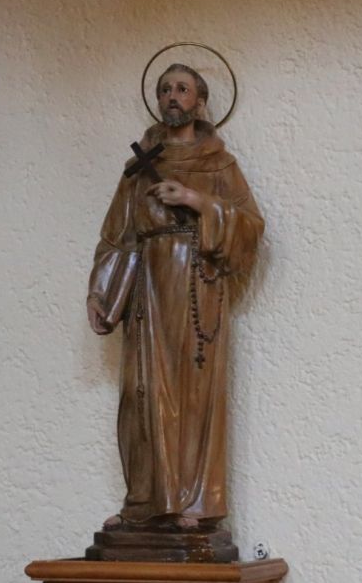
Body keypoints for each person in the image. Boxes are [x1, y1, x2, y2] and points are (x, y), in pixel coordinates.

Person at [87, 63, 263, 532]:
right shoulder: (139, 166)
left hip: (197, 287)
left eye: (182, 89)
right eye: (165, 88)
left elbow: (251, 227)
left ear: (199, 102)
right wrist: (102, 293)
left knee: (194, 392)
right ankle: (144, 501)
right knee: (141, 390)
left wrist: (195, 199)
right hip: (147, 287)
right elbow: (117, 235)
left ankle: (194, 501)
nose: (172, 95)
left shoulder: (219, 165)